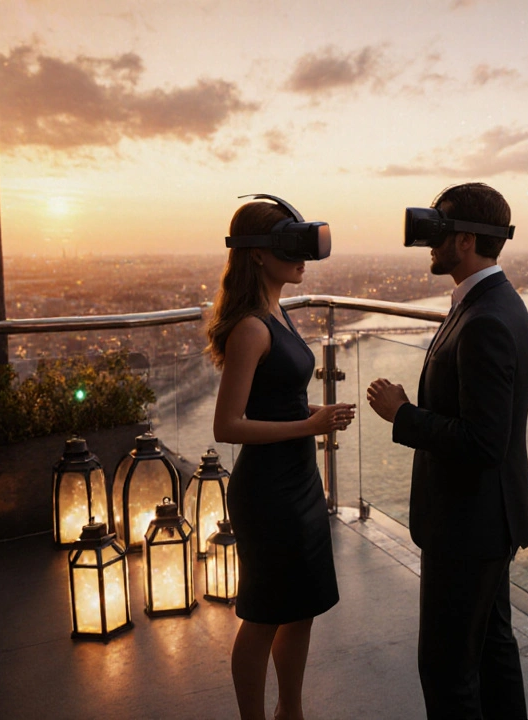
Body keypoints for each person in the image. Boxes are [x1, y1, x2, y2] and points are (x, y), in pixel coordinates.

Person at [367, 182, 528, 720]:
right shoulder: (494, 301)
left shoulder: (484, 318)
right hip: (489, 520)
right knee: (491, 651)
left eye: (438, 231)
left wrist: (403, 414)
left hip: (467, 525)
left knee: (446, 669)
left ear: (465, 240)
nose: (428, 243)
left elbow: (485, 442)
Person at [207, 198, 355, 720]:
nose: (303, 259)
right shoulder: (251, 326)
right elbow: (228, 425)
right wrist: (309, 426)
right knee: (266, 614)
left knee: (301, 609)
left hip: (299, 482)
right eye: (289, 246)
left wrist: (317, 412)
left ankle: (289, 711)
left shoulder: (279, 312)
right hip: (269, 492)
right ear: (256, 255)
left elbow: (279, 399)